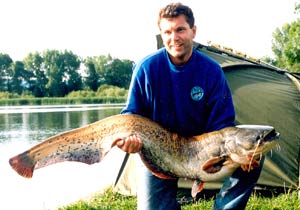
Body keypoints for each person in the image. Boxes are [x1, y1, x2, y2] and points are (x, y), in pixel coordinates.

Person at [116, 2, 264, 210]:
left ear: (193, 31)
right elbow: (131, 116)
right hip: (159, 153)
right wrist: (129, 140)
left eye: (180, 30)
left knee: (257, 149)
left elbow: (223, 128)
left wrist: (239, 157)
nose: (174, 38)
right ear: (161, 34)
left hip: (203, 152)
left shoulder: (212, 71)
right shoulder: (146, 68)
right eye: (167, 32)